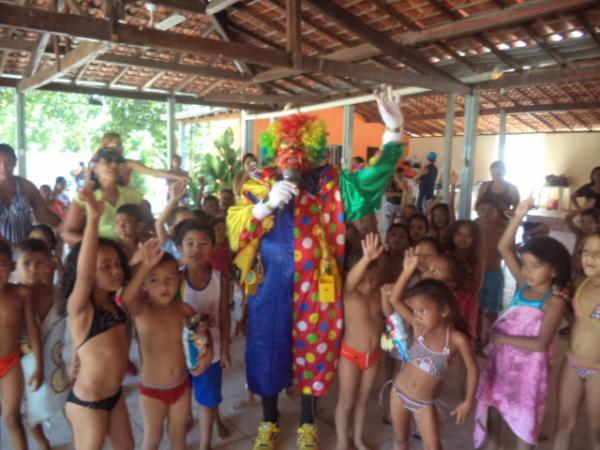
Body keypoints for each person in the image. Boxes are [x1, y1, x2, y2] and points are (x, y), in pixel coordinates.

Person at [227, 85, 405, 449]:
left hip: (317, 287)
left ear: (312, 148)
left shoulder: (330, 185)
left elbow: (372, 182)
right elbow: (235, 230)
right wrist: (264, 206)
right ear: (275, 150)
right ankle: (269, 422)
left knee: (316, 349)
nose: (292, 153)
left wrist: (393, 134)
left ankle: (308, 421)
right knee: (266, 349)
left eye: (300, 145)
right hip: (270, 285)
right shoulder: (260, 184)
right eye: (285, 145)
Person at [474, 198, 571, 450]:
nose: (527, 271)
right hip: (504, 362)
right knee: (495, 407)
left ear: (554, 270)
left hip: (529, 372)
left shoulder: (554, 302)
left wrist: (501, 339)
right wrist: (517, 216)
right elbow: (504, 246)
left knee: (523, 418)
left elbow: (540, 345)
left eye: (535, 266)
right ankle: (493, 444)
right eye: (525, 264)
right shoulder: (523, 286)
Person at [62, 183, 134, 450]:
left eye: (117, 264)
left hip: (114, 396)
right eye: (106, 266)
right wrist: (92, 218)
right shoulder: (81, 309)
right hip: (88, 404)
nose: (116, 270)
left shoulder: (115, 303)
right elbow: (84, 273)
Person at [120, 242, 203, 450]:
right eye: (154, 280)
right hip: (152, 391)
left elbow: (202, 337)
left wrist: (205, 357)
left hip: (181, 386)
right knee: (153, 438)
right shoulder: (142, 311)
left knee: (178, 436)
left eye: (169, 279)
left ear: (179, 279)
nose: (163, 286)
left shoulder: (185, 310)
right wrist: (144, 267)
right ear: (144, 284)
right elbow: (125, 298)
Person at [383, 277, 478, 450]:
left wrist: (468, 401)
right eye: (415, 311)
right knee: (400, 438)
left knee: (434, 447)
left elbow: (472, 370)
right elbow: (394, 300)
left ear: (444, 311)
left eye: (423, 311)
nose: (417, 317)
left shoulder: (457, 339)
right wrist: (408, 269)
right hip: (398, 392)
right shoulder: (418, 326)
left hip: (423, 403)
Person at [175, 219, 231, 450]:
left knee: (208, 398)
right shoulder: (175, 279)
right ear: (180, 247)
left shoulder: (220, 279)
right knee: (183, 396)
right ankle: (186, 423)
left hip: (212, 352)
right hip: (180, 352)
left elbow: (225, 316)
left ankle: (205, 443)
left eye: (203, 243)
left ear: (213, 247)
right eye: (190, 243)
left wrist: (226, 350)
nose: (196, 249)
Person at [16, 238, 69, 450]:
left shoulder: (57, 294)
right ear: (16, 265)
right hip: (24, 363)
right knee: (28, 409)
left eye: (39, 263)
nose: (33, 269)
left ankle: (81, 431)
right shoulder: (11, 296)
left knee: (67, 400)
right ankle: (42, 442)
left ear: (48, 264)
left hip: (55, 360)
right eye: (26, 263)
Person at [335, 233, 384, 450]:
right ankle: (342, 441)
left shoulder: (377, 293)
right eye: (363, 279)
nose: (368, 284)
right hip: (350, 356)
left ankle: (357, 438)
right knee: (346, 402)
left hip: (373, 357)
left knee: (363, 401)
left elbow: (387, 314)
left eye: (373, 279)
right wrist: (365, 259)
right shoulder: (349, 293)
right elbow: (351, 282)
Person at [552, 231, 600, 450]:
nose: (590, 258)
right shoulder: (581, 282)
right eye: (586, 251)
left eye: (598, 253)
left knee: (596, 428)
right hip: (572, 362)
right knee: (563, 423)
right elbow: (577, 321)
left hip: (598, 370)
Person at [0, 240, 42, 450]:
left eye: (2, 264)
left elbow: (33, 329)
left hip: (10, 363)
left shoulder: (21, 293)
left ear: (12, 265)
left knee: (11, 418)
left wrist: (40, 365)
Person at [62, 148, 144, 246]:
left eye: (118, 162)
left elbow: (147, 223)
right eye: (108, 161)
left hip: (130, 256)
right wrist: (102, 246)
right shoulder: (84, 196)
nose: (114, 166)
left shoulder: (132, 194)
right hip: (99, 257)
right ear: (95, 167)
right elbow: (68, 235)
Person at [0, 143, 60, 246]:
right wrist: (12, 248)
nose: (3, 167)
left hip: (26, 252)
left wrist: (66, 226)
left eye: (8, 163)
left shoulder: (26, 187)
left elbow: (43, 215)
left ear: (15, 163)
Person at [97, 133, 189, 186]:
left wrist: (179, 177)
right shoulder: (96, 163)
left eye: (121, 145)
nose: (121, 148)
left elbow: (154, 172)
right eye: (117, 145)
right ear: (105, 146)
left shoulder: (128, 163)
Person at [474, 199, 506, 349]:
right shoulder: (473, 228)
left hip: (494, 274)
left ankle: (490, 337)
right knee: (478, 308)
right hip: (476, 273)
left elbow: (509, 249)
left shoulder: (502, 230)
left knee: (492, 310)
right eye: (483, 209)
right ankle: (476, 337)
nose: (486, 214)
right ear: (477, 211)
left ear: (497, 213)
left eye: (491, 210)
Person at [445, 220, 484, 339]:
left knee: (464, 333)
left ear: (475, 239)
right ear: (452, 235)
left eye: (468, 235)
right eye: (459, 234)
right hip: (446, 299)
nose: (462, 238)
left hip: (466, 302)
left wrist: (460, 273)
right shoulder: (445, 255)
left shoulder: (477, 260)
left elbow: (476, 287)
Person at [156, 181, 197, 261]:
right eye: (183, 223)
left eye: (192, 221)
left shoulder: (197, 244)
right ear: (173, 227)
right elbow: (159, 223)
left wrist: (181, 198)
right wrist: (173, 199)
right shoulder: (169, 245)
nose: (189, 225)